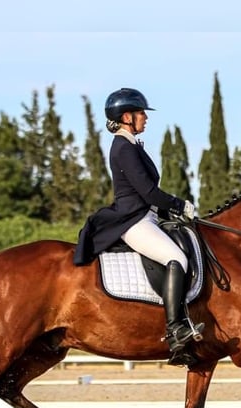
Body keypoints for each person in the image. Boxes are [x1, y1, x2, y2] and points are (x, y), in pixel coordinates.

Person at [73, 87, 203, 364]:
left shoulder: (130, 145)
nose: (146, 117)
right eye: (141, 112)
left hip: (146, 215)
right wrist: (180, 205)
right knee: (175, 257)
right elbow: (147, 192)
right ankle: (175, 330)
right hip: (132, 219)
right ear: (126, 116)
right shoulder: (123, 147)